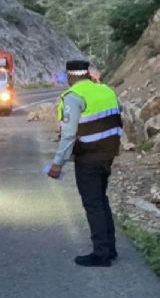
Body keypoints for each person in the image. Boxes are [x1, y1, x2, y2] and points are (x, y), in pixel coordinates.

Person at [48, 60, 122, 267]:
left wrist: (57, 163)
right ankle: (110, 248)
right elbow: (120, 109)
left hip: (88, 157)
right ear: (88, 74)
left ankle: (101, 255)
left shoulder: (73, 96)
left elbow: (69, 134)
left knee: (93, 204)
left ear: (70, 76)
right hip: (108, 154)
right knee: (101, 199)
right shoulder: (106, 90)